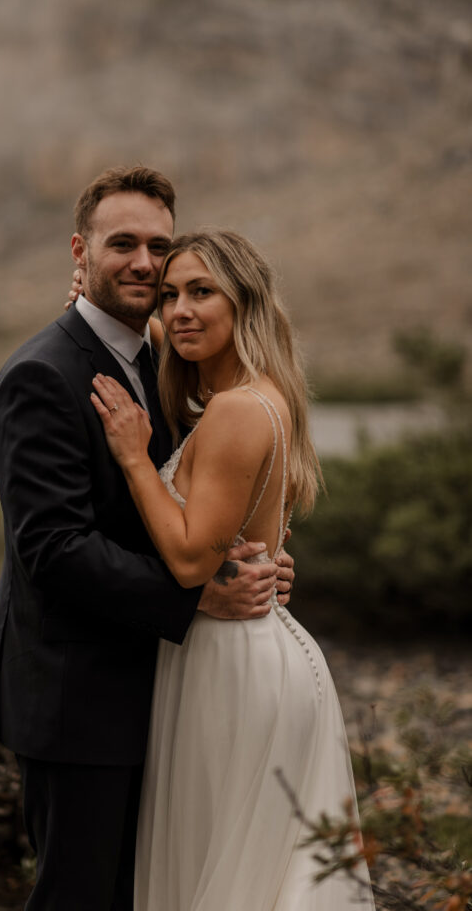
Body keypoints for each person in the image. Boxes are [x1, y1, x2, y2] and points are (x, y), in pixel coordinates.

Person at [0, 167, 295, 911]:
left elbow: (208, 485)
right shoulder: (40, 375)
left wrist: (253, 551)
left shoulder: (165, 356)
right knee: (81, 898)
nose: (145, 263)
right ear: (79, 251)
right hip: (78, 699)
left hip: (166, 690)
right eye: (121, 243)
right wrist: (198, 601)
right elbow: (53, 550)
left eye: (158, 246)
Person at [90, 229, 375, 910]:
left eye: (200, 292)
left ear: (244, 303)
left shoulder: (238, 411)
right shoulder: (255, 394)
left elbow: (190, 561)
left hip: (232, 667)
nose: (179, 311)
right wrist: (86, 296)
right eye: (168, 296)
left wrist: (134, 458)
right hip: (246, 648)